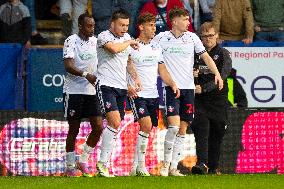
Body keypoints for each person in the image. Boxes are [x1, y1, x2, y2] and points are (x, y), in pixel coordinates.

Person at [153, 7, 223, 176]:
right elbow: (151, 56)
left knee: (183, 129)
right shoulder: (161, 38)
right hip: (171, 88)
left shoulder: (192, 38)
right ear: (174, 21)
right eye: (185, 19)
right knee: (173, 127)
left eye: (188, 19)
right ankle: (165, 164)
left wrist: (217, 74)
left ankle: (174, 167)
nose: (188, 23)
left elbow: (206, 57)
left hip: (189, 90)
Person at [127, 13, 180, 176]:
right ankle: (141, 166)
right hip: (137, 94)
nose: (154, 28)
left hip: (153, 94)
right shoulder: (131, 46)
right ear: (141, 27)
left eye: (154, 25)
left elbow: (162, 69)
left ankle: (135, 166)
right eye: (151, 25)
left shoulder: (156, 47)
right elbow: (123, 67)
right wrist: (128, 85)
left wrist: (172, 83)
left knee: (147, 129)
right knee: (146, 125)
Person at [95, 9, 140, 177]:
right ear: (112, 23)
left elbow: (128, 61)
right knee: (114, 122)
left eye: (127, 25)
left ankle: (101, 164)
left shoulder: (127, 38)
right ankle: (101, 164)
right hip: (105, 85)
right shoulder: (103, 36)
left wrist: (135, 78)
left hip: (121, 87)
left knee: (116, 124)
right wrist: (129, 43)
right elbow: (114, 49)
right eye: (121, 25)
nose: (124, 28)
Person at [63, 12, 103, 177]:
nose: (92, 28)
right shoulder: (71, 40)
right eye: (88, 26)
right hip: (73, 91)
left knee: (99, 127)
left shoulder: (96, 41)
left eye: (93, 25)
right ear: (80, 26)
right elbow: (68, 65)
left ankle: (83, 160)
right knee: (74, 129)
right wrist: (87, 75)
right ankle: (70, 166)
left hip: (91, 91)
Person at [191, 22, 232, 175]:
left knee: (217, 131)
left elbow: (223, 75)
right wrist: (192, 75)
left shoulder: (223, 53)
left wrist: (204, 88)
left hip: (218, 99)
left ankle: (213, 167)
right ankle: (201, 163)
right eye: (204, 36)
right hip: (199, 100)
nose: (208, 39)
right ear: (200, 38)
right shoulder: (195, 55)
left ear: (217, 36)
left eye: (211, 35)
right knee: (201, 128)